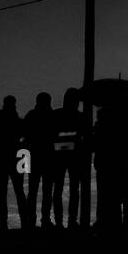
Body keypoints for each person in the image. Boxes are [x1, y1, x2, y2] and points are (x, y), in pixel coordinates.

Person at [0, 96, 27, 230]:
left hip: (1, 160)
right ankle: (24, 223)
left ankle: (3, 224)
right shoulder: (20, 122)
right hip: (18, 159)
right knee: (19, 192)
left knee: (2, 194)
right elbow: (27, 138)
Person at [49, 88, 86, 228]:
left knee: (59, 190)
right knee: (72, 190)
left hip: (60, 156)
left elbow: (50, 135)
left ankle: (61, 220)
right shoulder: (81, 117)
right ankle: (70, 220)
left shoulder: (56, 115)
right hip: (73, 157)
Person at [23, 92, 55, 228]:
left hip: (34, 156)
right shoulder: (52, 116)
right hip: (47, 156)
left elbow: (24, 136)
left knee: (33, 190)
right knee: (46, 190)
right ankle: (44, 219)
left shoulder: (31, 116)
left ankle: (32, 220)